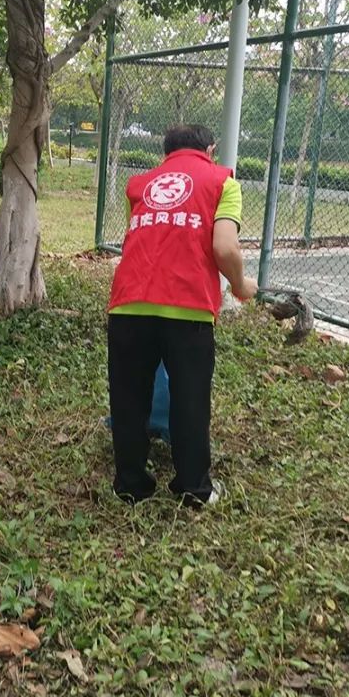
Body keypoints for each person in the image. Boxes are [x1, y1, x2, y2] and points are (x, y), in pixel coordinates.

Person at [107, 124, 258, 506]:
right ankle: (193, 489)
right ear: (210, 148)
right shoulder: (223, 181)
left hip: (129, 304)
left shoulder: (139, 184)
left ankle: (130, 486)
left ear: (166, 151)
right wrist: (240, 286)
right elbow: (224, 248)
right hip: (188, 309)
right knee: (190, 400)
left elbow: (143, 239)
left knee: (128, 399)